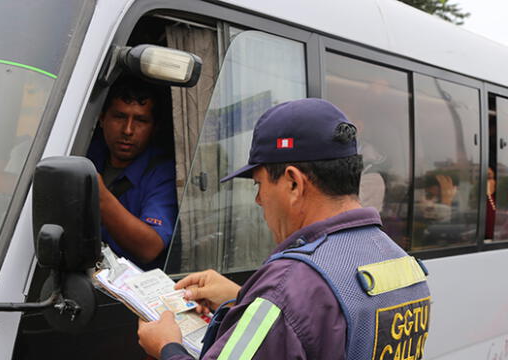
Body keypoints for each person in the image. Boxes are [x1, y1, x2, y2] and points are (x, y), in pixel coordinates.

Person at [137, 98, 431, 359]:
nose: (258, 199)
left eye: (259, 185)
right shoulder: (396, 260)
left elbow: (298, 309)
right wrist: (243, 300)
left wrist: (167, 347)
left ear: (293, 183)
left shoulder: (285, 289)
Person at [86, 76, 177, 270]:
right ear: (102, 118)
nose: (128, 130)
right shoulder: (85, 152)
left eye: (141, 120)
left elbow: (150, 247)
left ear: (154, 127)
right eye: (119, 117)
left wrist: (101, 197)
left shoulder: (163, 172)